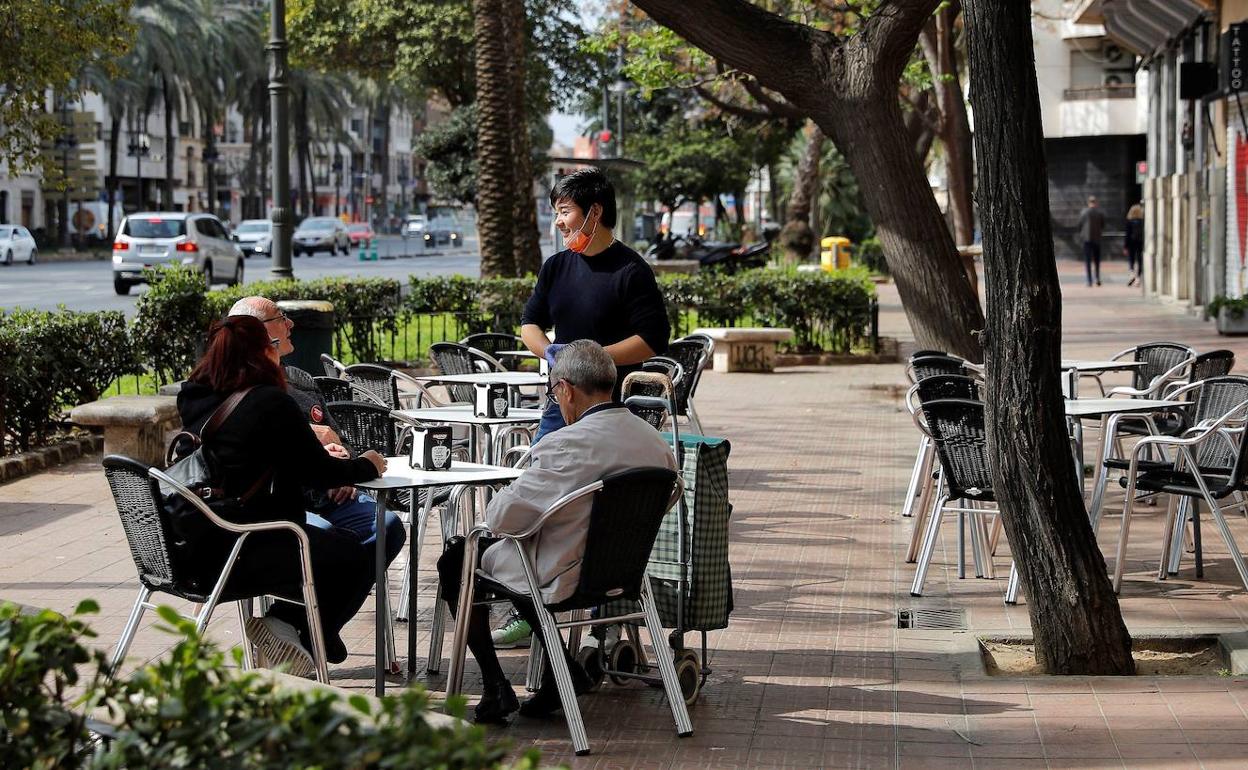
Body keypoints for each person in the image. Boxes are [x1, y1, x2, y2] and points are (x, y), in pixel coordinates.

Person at [436, 341, 677, 723]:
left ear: (564, 389)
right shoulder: (655, 442)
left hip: (561, 572)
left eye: (552, 392)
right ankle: (560, 671)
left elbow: (501, 519)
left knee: (458, 557)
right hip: (624, 572)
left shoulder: (566, 444)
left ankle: (495, 686)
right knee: (523, 558)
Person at [506, 169, 671, 649]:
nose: (558, 222)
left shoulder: (630, 270)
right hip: (561, 405)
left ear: (594, 212)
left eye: (564, 211)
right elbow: (530, 323)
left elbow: (651, 338)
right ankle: (529, 606)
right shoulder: (557, 267)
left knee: (604, 513)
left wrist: (592, 358)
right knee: (537, 499)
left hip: (608, 412)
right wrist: (550, 354)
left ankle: (605, 615)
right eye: (556, 211)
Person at [176, 315, 387, 676]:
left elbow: (254, 456)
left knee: (336, 546)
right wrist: (369, 465)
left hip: (196, 543)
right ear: (262, 352)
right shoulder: (269, 402)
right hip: (251, 542)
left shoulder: (194, 397)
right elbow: (317, 472)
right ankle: (297, 631)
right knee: (355, 553)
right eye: (271, 347)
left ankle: (299, 633)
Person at [227, 296, 405, 565]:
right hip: (278, 504)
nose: (290, 323)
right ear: (257, 330)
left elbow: (339, 438)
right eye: (280, 317)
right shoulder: (236, 391)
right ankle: (311, 602)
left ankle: (326, 600)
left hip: (330, 494)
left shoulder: (301, 380)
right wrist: (315, 445)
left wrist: (343, 465)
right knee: (326, 543)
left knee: (387, 526)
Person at [1078, 195, 1106, 287]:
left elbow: (1080, 225)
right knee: (1097, 260)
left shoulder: (1084, 212)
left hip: (1087, 239)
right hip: (1097, 238)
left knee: (1088, 261)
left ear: (1088, 202)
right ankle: (1097, 278)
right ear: (1096, 202)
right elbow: (1103, 225)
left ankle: (1089, 281)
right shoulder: (1099, 213)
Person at [1125, 202, 1144, 287]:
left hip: (1131, 243)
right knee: (1140, 260)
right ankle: (1138, 279)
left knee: (1131, 259)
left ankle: (1132, 273)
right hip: (1140, 242)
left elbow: (1127, 234)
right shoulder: (1142, 221)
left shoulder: (1129, 221)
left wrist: (1125, 246)